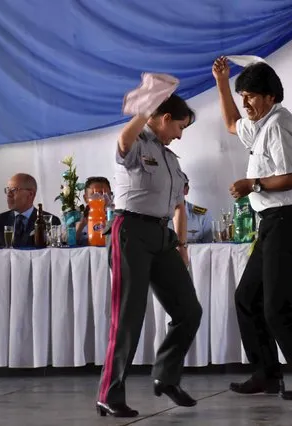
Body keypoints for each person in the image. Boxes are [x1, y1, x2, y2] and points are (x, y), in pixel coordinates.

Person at [212, 56, 292, 400]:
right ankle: (267, 373)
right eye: (243, 95)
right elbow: (232, 123)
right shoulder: (262, 122)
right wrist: (222, 81)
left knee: (276, 307)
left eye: (251, 95)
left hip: (288, 220)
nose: (245, 103)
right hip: (272, 223)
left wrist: (253, 184)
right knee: (247, 298)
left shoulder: (280, 125)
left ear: (270, 96)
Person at [96, 93, 202, 418]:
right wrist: (147, 104)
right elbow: (123, 139)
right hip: (130, 232)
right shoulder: (137, 143)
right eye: (180, 127)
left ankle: (166, 375)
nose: (180, 135)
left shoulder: (170, 159)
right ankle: (109, 394)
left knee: (188, 310)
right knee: (128, 317)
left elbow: (179, 207)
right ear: (164, 117)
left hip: (162, 236)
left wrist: (182, 246)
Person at [0, 173, 60, 247]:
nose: (9, 194)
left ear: (31, 194)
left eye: (14, 190)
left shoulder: (51, 221)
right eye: (8, 190)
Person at [168, 174, 212, 244]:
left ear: (186, 190)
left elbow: (210, 246)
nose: (172, 192)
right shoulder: (156, 215)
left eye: (178, 188)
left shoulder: (202, 215)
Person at [74, 176, 113, 245]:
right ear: (85, 198)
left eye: (103, 194)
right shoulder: (76, 219)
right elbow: (67, 245)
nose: (99, 198)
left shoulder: (119, 219)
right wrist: (80, 226)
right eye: (94, 195)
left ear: (110, 196)